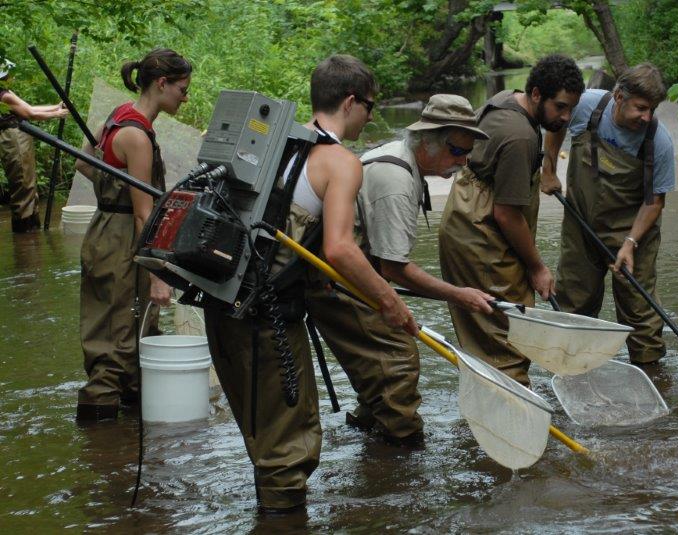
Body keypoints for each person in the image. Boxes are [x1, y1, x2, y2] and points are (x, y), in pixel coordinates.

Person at [204, 54, 417, 514]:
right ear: (350, 101)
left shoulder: (275, 142)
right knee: (289, 446)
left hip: (220, 303)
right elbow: (340, 249)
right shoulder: (339, 162)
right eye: (371, 106)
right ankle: (283, 521)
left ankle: (270, 514)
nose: (371, 116)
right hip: (268, 319)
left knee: (261, 434)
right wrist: (389, 303)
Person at [307, 94, 493, 445]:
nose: (463, 161)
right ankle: (402, 447)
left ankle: (370, 428)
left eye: (467, 153)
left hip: (347, 271)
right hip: (335, 280)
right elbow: (395, 268)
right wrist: (460, 296)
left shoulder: (398, 155)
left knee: (383, 362)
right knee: (399, 358)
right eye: (456, 151)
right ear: (426, 142)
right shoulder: (396, 180)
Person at [438, 54, 584, 386]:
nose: (566, 117)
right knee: (508, 336)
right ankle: (515, 422)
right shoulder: (521, 136)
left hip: (462, 220)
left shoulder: (505, 100)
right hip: (481, 235)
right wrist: (537, 266)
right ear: (536, 95)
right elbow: (506, 213)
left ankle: (484, 416)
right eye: (560, 107)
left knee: (483, 336)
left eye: (571, 109)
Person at [74, 48, 191, 421]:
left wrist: (112, 191)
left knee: (115, 326)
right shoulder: (137, 136)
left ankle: (124, 429)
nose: (185, 97)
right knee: (118, 340)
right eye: (182, 89)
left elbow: (83, 162)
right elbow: (144, 215)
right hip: (125, 238)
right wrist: (158, 277)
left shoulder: (117, 115)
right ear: (162, 83)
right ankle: (102, 442)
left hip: (101, 231)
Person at [542, 63, 675, 365]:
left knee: (641, 313)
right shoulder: (587, 106)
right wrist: (548, 168)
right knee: (573, 305)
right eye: (641, 108)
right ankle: (573, 371)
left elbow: (654, 202)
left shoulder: (659, 141)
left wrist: (629, 243)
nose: (647, 117)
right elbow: (557, 123)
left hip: (632, 232)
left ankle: (651, 375)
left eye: (652, 109)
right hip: (581, 225)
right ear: (618, 96)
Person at [0, 58, 69, 232]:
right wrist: (57, 114)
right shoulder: (4, 95)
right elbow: (31, 113)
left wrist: (55, 107)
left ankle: (29, 231)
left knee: (28, 185)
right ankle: (26, 232)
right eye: (9, 74)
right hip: (13, 138)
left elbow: (29, 107)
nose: (12, 77)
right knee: (24, 185)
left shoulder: (5, 93)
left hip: (16, 136)